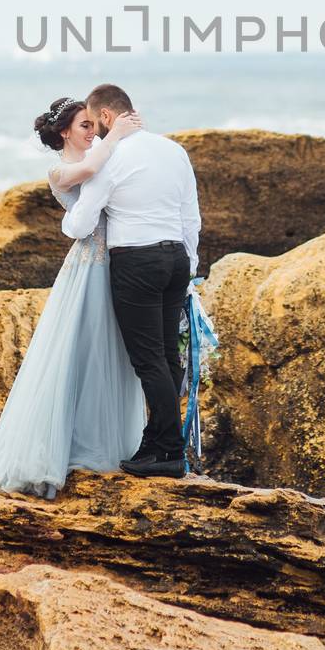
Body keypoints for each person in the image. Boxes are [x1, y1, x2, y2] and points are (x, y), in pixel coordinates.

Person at [0, 95, 145, 502]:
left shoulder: (108, 158)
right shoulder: (61, 170)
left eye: (95, 125)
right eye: (85, 126)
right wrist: (118, 133)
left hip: (120, 265)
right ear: (64, 132)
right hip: (88, 269)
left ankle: (106, 445)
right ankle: (60, 450)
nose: (94, 132)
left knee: (112, 357)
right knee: (77, 353)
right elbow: (88, 170)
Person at [62, 82, 200, 479]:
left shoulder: (111, 158)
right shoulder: (174, 150)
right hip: (176, 257)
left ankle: (171, 452)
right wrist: (189, 266)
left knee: (148, 361)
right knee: (166, 358)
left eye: (94, 120)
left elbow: (82, 223)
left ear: (106, 117)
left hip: (136, 261)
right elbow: (191, 216)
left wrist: (66, 218)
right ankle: (154, 445)